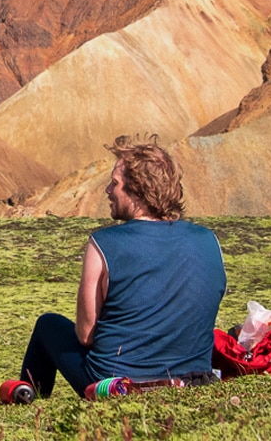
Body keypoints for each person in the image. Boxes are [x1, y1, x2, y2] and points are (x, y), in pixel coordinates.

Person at [13, 135, 226, 398]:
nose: (107, 191)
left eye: (115, 184)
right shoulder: (209, 241)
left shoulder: (103, 244)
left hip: (116, 384)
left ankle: (27, 403)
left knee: (48, 325)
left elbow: (85, 335)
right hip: (194, 379)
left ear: (137, 191)